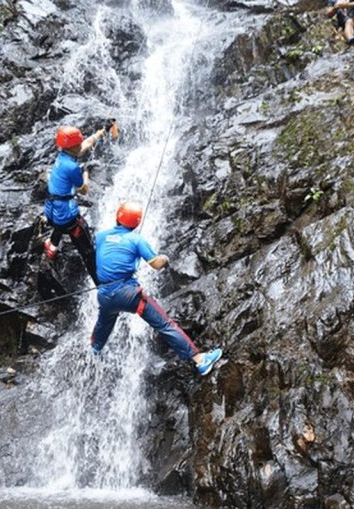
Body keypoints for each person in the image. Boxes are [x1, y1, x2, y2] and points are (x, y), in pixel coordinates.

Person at [90, 201, 223, 376]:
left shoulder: (100, 236)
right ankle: (200, 360)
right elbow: (156, 264)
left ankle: (94, 350)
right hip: (129, 295)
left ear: (117, 216)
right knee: (165, 324)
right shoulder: (136, 239)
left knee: (105, 319)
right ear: (137, 223)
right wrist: (165, 257)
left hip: (105, 295)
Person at [43, 123, 112, 285]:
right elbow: (83, 189)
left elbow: (85, 145)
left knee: (59, 223)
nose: (80, 145)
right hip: (67, 217)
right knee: (87, 250)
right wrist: (85, 172)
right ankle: (102, 283)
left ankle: (52, 245)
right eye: (77, 143)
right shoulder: (72, 167)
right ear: (71, 147)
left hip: (52, 210)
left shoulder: (62, 157)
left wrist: (101, 132)